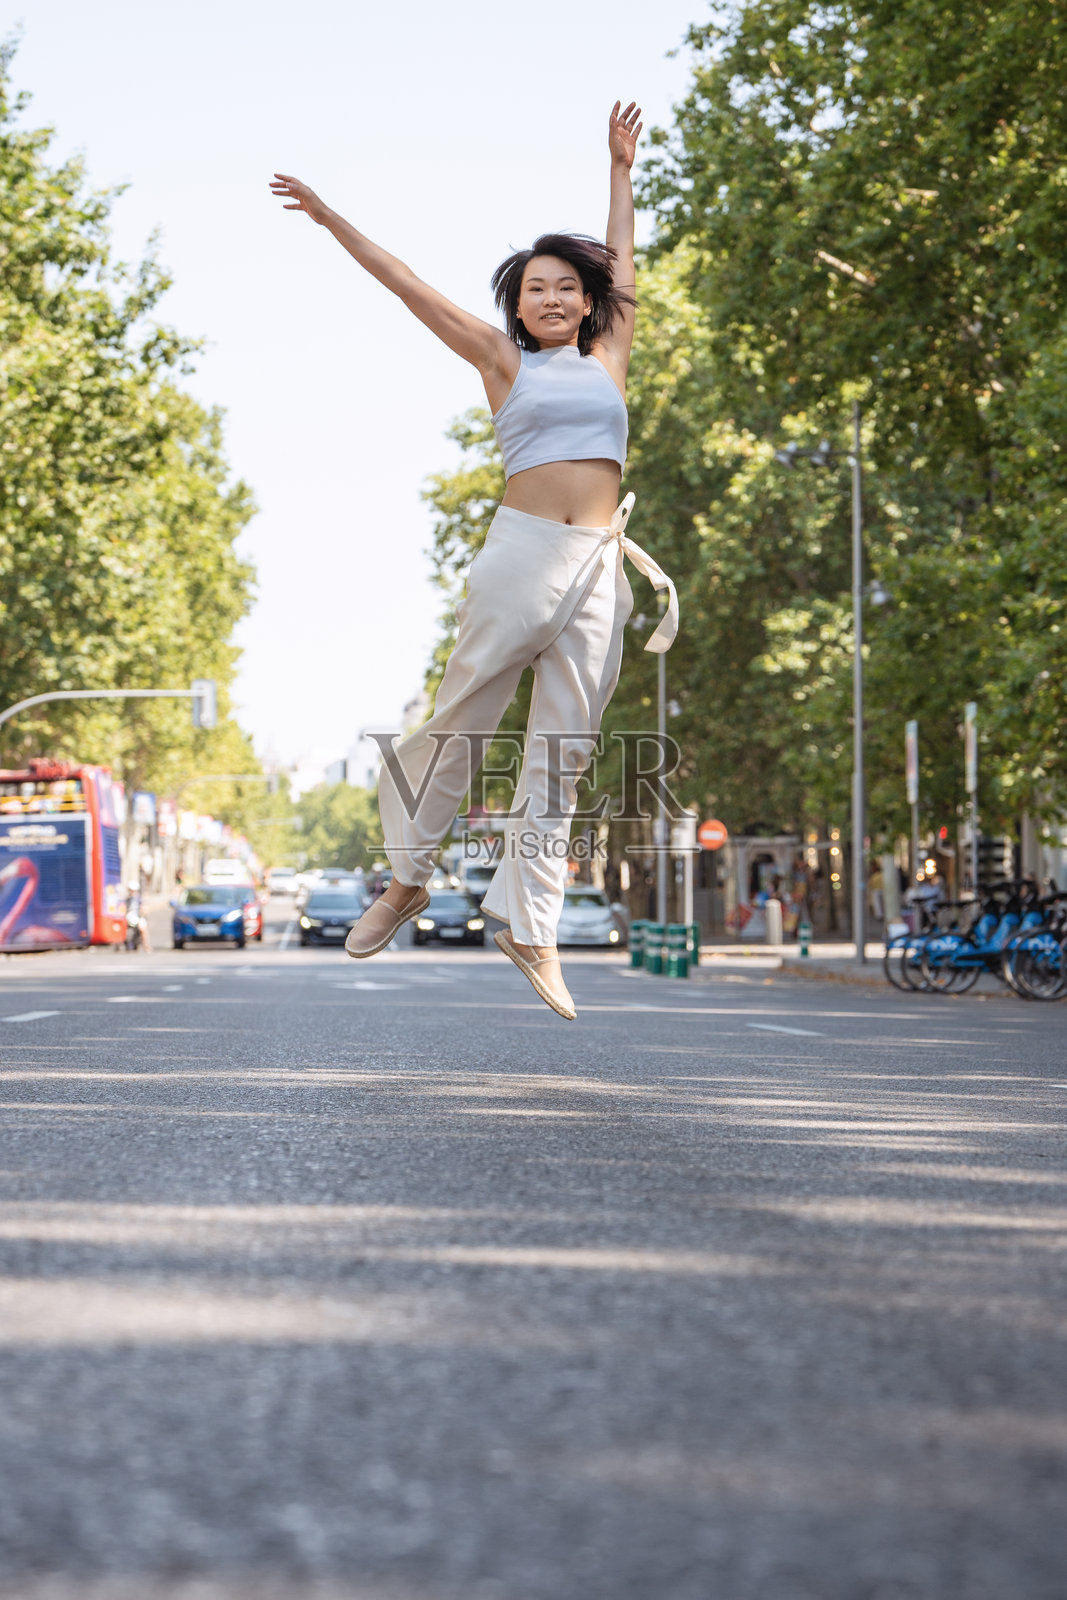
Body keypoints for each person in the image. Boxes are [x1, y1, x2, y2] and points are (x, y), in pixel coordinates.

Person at [270, 102, 677, 1020]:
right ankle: (408, 880)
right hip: (520, 556)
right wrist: (332, 219)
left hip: (601, 565)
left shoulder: (610, 356)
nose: (553, 298)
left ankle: (529, 927)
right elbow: (405, 283)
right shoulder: (502, 362)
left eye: (566, 287)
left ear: (587, 300)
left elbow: (623, 257)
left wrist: (619, 169)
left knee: (565, 753)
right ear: (518, 304)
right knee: (462, 718)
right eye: (536, 288)